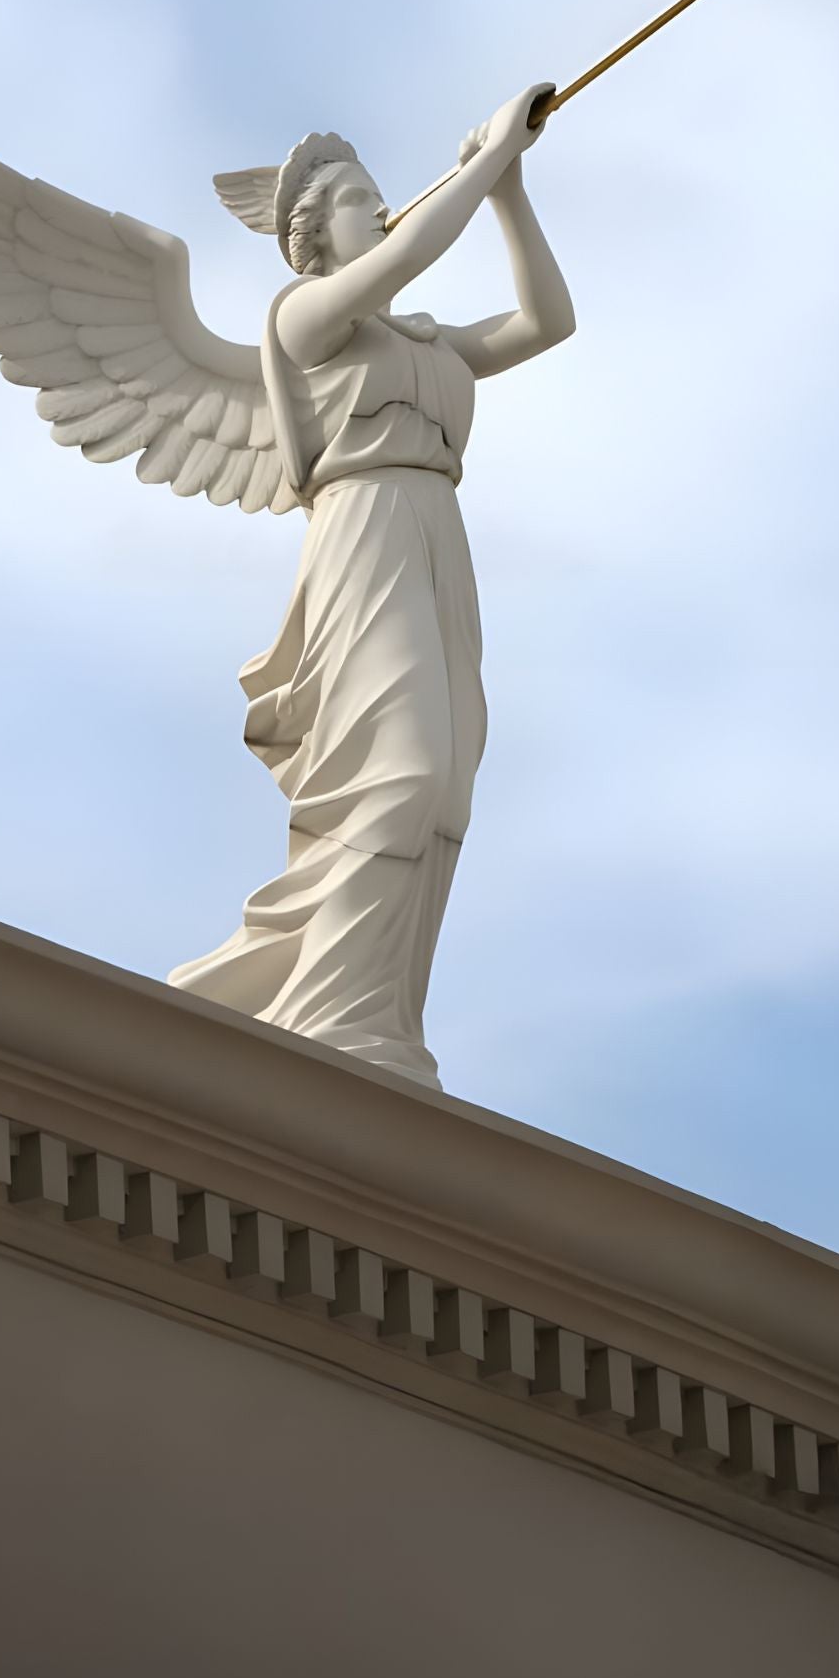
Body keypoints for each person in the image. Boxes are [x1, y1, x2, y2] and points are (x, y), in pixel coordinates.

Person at [168, 85, 574, 1085]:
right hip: (368, 533)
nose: (382, 209)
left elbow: (545, 321)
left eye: (380, 194)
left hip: (437, 537)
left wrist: (511, 187)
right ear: (315, 237)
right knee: (395, 770)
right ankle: (329, 1011)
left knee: (442, 784)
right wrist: (481, 166)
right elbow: (405, 255)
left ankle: (373, 1015)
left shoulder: (428, 346)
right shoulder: (307, 320)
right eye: (359, 200)